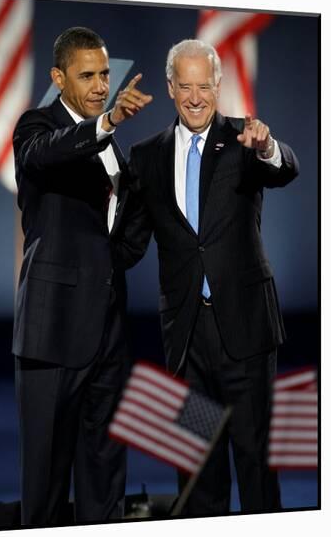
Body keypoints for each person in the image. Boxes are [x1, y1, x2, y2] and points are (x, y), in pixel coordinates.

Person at [128, 39, 299, 516]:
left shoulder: (246, 139)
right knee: (198, 473)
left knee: (256, 466)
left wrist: (267, 147)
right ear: (170, 88)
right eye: (186, 86)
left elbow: (287, 168)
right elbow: (129, 242)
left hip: (244, 332)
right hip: (187, 340)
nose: (196, 96)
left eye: (205, 85)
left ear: (219, 85)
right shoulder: (147, 156)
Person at [12, 26, 152, 526]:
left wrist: (115, 263)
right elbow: (45, 153)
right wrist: (108, 121)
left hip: (109, 334)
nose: (99, 85)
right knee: (46, 484)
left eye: (105, 74)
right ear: (59, 77)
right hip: (52, 335)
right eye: (87, 75)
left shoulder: (112, 144)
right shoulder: (36, 127)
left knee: (105, 475)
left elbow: (125, 224)